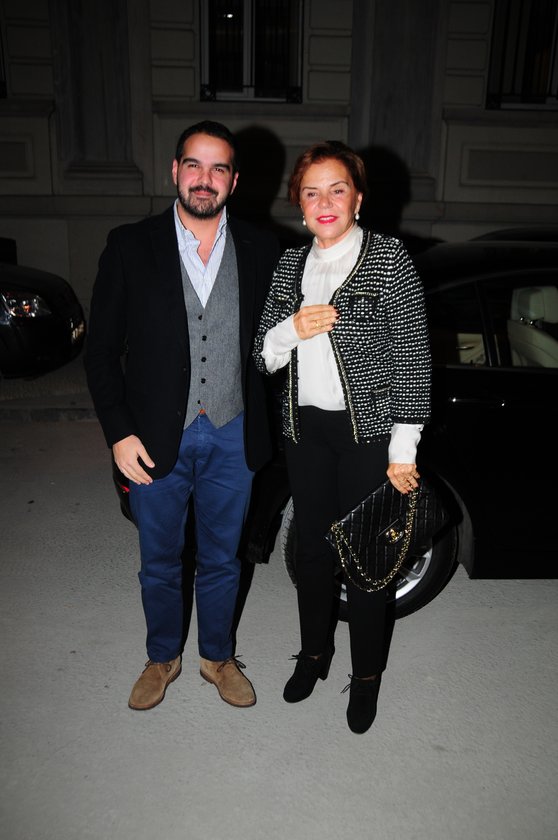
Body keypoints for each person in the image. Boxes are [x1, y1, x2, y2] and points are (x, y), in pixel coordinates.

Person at [85, 121, 280, 711]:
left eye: (219, 168)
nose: (204, 178)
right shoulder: (129, 245)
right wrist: (118, 432)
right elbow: (100, 351)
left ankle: (216, 657)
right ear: (175, 171)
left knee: (223, 558)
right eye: (194, 164)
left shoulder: (263, 248)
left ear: (234, 181)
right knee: (159, 561)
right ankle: (161, 656)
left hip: (232, 431)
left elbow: (280, 344)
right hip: (150, 437)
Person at [253, 141, 431, 733]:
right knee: (311, 550)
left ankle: (367, 676)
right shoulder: (290, 265)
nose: (324, 202)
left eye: (337, 189)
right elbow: (263, 355)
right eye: (311, 192)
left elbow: (412, 360)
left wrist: (403, 450)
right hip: (305, 430)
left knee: (367, 559)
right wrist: (291, 329)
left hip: (368, 435)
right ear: (299, 203)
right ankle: (314, 654)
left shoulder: (388, 259)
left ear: (357, 197)